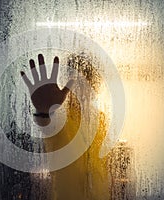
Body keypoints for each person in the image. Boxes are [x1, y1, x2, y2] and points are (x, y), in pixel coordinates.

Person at [21, 54, 110, 199]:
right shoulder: (59, 117)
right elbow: (46, 125)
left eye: (91, 81)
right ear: (70, 83)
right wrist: (44, 110)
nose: (86, 88)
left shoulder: (101, 119)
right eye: (79, 81)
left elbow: (104, 165)